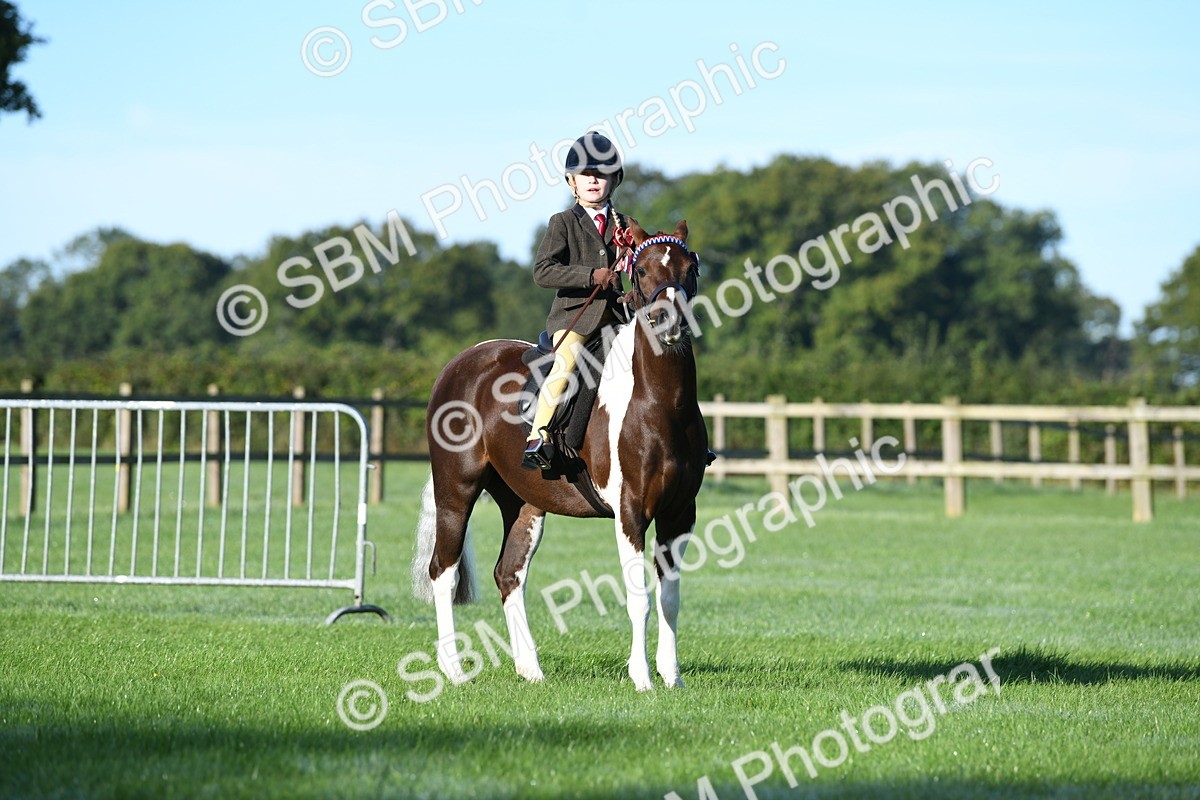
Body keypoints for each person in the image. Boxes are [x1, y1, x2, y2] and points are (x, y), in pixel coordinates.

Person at [522, 131, 631, 470]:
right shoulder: (563, 223)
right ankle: (539, 434)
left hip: (617, 318)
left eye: (600, 174)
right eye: (586, 175)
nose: (593, 180)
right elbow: (543, 271)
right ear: (573, 182)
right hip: (575, 319)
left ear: (614, 180)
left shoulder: (625, 224)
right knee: (567, 360)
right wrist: (590, 276)